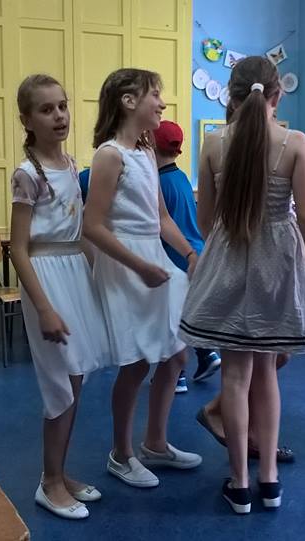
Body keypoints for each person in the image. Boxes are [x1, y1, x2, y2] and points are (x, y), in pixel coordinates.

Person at [180, 56, 305, 514]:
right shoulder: (295, 142)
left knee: (235, 377)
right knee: (267, 374)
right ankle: (269, 480)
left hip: (229, 258)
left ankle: (239, 484)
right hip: (277, 264)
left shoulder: (213, 143)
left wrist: (233, 236)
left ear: (231, 97)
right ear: (278, 94)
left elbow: (205, 220)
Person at [83, 68, 202, 490]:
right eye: (155, 95)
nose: (162, 103)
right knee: (136, 363)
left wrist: (190, 253)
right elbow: (92, 226)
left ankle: (155, 443)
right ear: (129, 101)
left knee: (176, 354)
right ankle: (121, 453)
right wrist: (139, 266)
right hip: (126, 265)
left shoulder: (147, 152)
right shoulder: (109, 155)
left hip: (152, 258)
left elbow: (162, 218)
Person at [10, 74, 109, 520]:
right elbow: (18, 248)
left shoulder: (71, 165)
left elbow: (81, 232)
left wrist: (98, 280)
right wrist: (45, 307)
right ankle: (48, 484)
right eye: (46, 109)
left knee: (75, 377)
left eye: (63, 106)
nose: (59, 115)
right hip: (46, 276)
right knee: (58, 382)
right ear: (27, 120)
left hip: (74, 272)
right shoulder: (27, 174)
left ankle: (59, 471)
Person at [150, 120, 222, 391]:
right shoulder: (181, 178)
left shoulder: (158, 183)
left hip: (175, 256)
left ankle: (176, 376)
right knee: (186, 314)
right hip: (197, 252)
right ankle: (206, 354)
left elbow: (159, 225)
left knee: (169, 319)